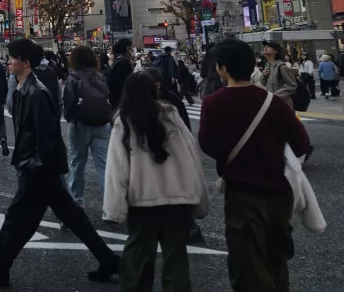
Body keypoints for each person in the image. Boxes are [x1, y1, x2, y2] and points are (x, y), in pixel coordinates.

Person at [0, 38, 121, 288]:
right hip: (39, 166)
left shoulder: (37, 92)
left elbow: (47, 135)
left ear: (26, 62)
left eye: (12, 57)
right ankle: (107, 259)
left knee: (18, 217)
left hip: (39, 167)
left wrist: (33, 166)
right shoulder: (23, 88)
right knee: (66, 217)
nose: (8, 62)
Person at [198, 39, 311, 292]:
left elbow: (208, 145)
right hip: (279, 193)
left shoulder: (214, 103)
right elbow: (302, 143)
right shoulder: (273, 102)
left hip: (243, 193)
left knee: (247, 261)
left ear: (223, 68)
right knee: (276, 256)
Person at [104, 73, 208, 290]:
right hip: (178, 200)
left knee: (138, 259)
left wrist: (114, 210)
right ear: (155, 90)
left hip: (142, 203)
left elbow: (117, 170)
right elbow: (192, 158)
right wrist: (199, 201)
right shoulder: (172, 115)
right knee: (176, 260)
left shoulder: (124, 120)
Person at [62, 46, 111, 209]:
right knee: (103, 164)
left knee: (77, 162)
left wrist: (69, 118)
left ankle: (77, 201)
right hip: (102, 123)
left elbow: (68, 102)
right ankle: (110, 205)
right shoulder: (100, 76)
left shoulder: (73, 78)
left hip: (79, 124)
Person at [262, 41, 298, 111]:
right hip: (272, 103)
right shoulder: (268, 65)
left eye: (268, 47)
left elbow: (292, 85)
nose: (265, 48)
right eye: (265, 46)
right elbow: (263, 83)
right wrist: (264, 75)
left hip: (282, 104)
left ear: (276, 51)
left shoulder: (281, 66)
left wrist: (274, 96)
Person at [105, 37, 134, 112]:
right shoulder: (123, 62)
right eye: (132, 47)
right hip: (121, 101)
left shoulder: (118, 61)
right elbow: (125, 83)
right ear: (128, 48)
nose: (133, 50)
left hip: (115, 99)